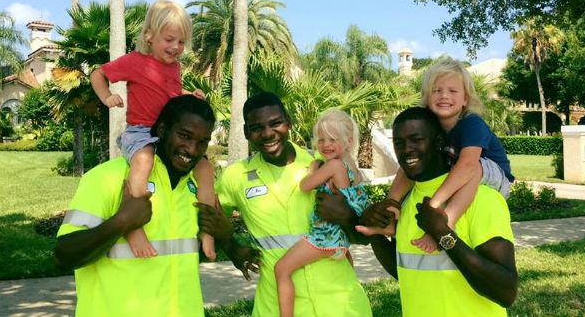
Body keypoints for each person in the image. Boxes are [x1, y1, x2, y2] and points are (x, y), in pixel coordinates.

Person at [54, 95, 220, 317]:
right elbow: (63, 256)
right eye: (184, 136)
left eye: (202, 142)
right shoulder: (109, 177)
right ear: (161, 130)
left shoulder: (195, 186)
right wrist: (122, 221)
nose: (192, 149)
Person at [215, 92, 372, 317]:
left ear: (288, 123)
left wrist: (346, 216)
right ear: (246, 133)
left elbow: (365, 237)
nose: (268, 133)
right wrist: (230, 247)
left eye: (276, 123)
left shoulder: (320, 163)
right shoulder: (235, 176)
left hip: (340, 303)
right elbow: (210, 214)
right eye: (257, 127)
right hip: (276, 306)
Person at [362, 107, 518, 317]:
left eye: (416, 140)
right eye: (399, 143)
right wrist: (376, 234)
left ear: (439, 142)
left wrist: (444, 235)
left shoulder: (481, 198)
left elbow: (505, 292)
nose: (407, 149)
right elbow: (407, 273)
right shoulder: (405, 202)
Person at [90, 1, 217, 260]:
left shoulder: (175, 67)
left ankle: (207, 229)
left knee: (205, 169)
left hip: (167, 132)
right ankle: (133, 226)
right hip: (140, 130)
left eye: (181, 42)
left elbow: (167, 94)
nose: (176, 47)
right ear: (149, 35)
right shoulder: (135, 61)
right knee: (144, 160)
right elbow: (97, 74)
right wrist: (107, 97)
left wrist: (187, 94)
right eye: (169, 39)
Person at [376, 58, 514, 253]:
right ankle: (394, 220)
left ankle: (442, 226)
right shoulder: (430, 126)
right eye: (436, 90)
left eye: (452, 91)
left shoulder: (472, 123)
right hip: (464, 168)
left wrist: (433, 205)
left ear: (465, 99)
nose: (444, 96)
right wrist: (391, 204)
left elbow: (466, 165)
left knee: (473, 168)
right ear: (426, 97)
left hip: (495, 174)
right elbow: (406, 168)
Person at [274, 109, 369, 317]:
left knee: (281, 269)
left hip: (325, 237)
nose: (326, 145)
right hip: (341, 237)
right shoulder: (353, 167)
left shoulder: (333, 165)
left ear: (348, 140)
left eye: (333, 139)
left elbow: (305, 186)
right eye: (321, 139)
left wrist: (313, 170)